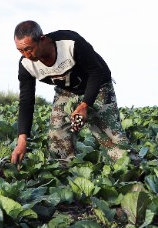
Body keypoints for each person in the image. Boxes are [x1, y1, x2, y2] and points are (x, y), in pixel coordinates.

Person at [12, 20, 131, 164]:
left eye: (29, 49)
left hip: (97, 85)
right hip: (66, 90)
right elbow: (26, 101)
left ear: (42, 39)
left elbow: (96, 71)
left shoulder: (70, 43)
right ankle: (62, 174)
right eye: (21, 50)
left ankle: (134, 173)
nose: (26, 55)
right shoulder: (26, 64)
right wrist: (22, 139)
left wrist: (84, 105)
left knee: (110, 135)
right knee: (57, 134)